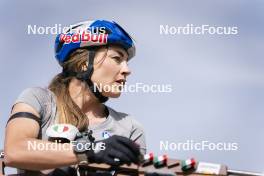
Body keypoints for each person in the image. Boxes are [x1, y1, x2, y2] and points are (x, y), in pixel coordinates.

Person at [4, 20, 146, 175]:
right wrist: (90, 150)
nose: (127, 70)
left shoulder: (130, 127)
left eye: (126, 62)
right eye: (117, 59)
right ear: (83, 63)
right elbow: (15, 151)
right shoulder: (38, 100)